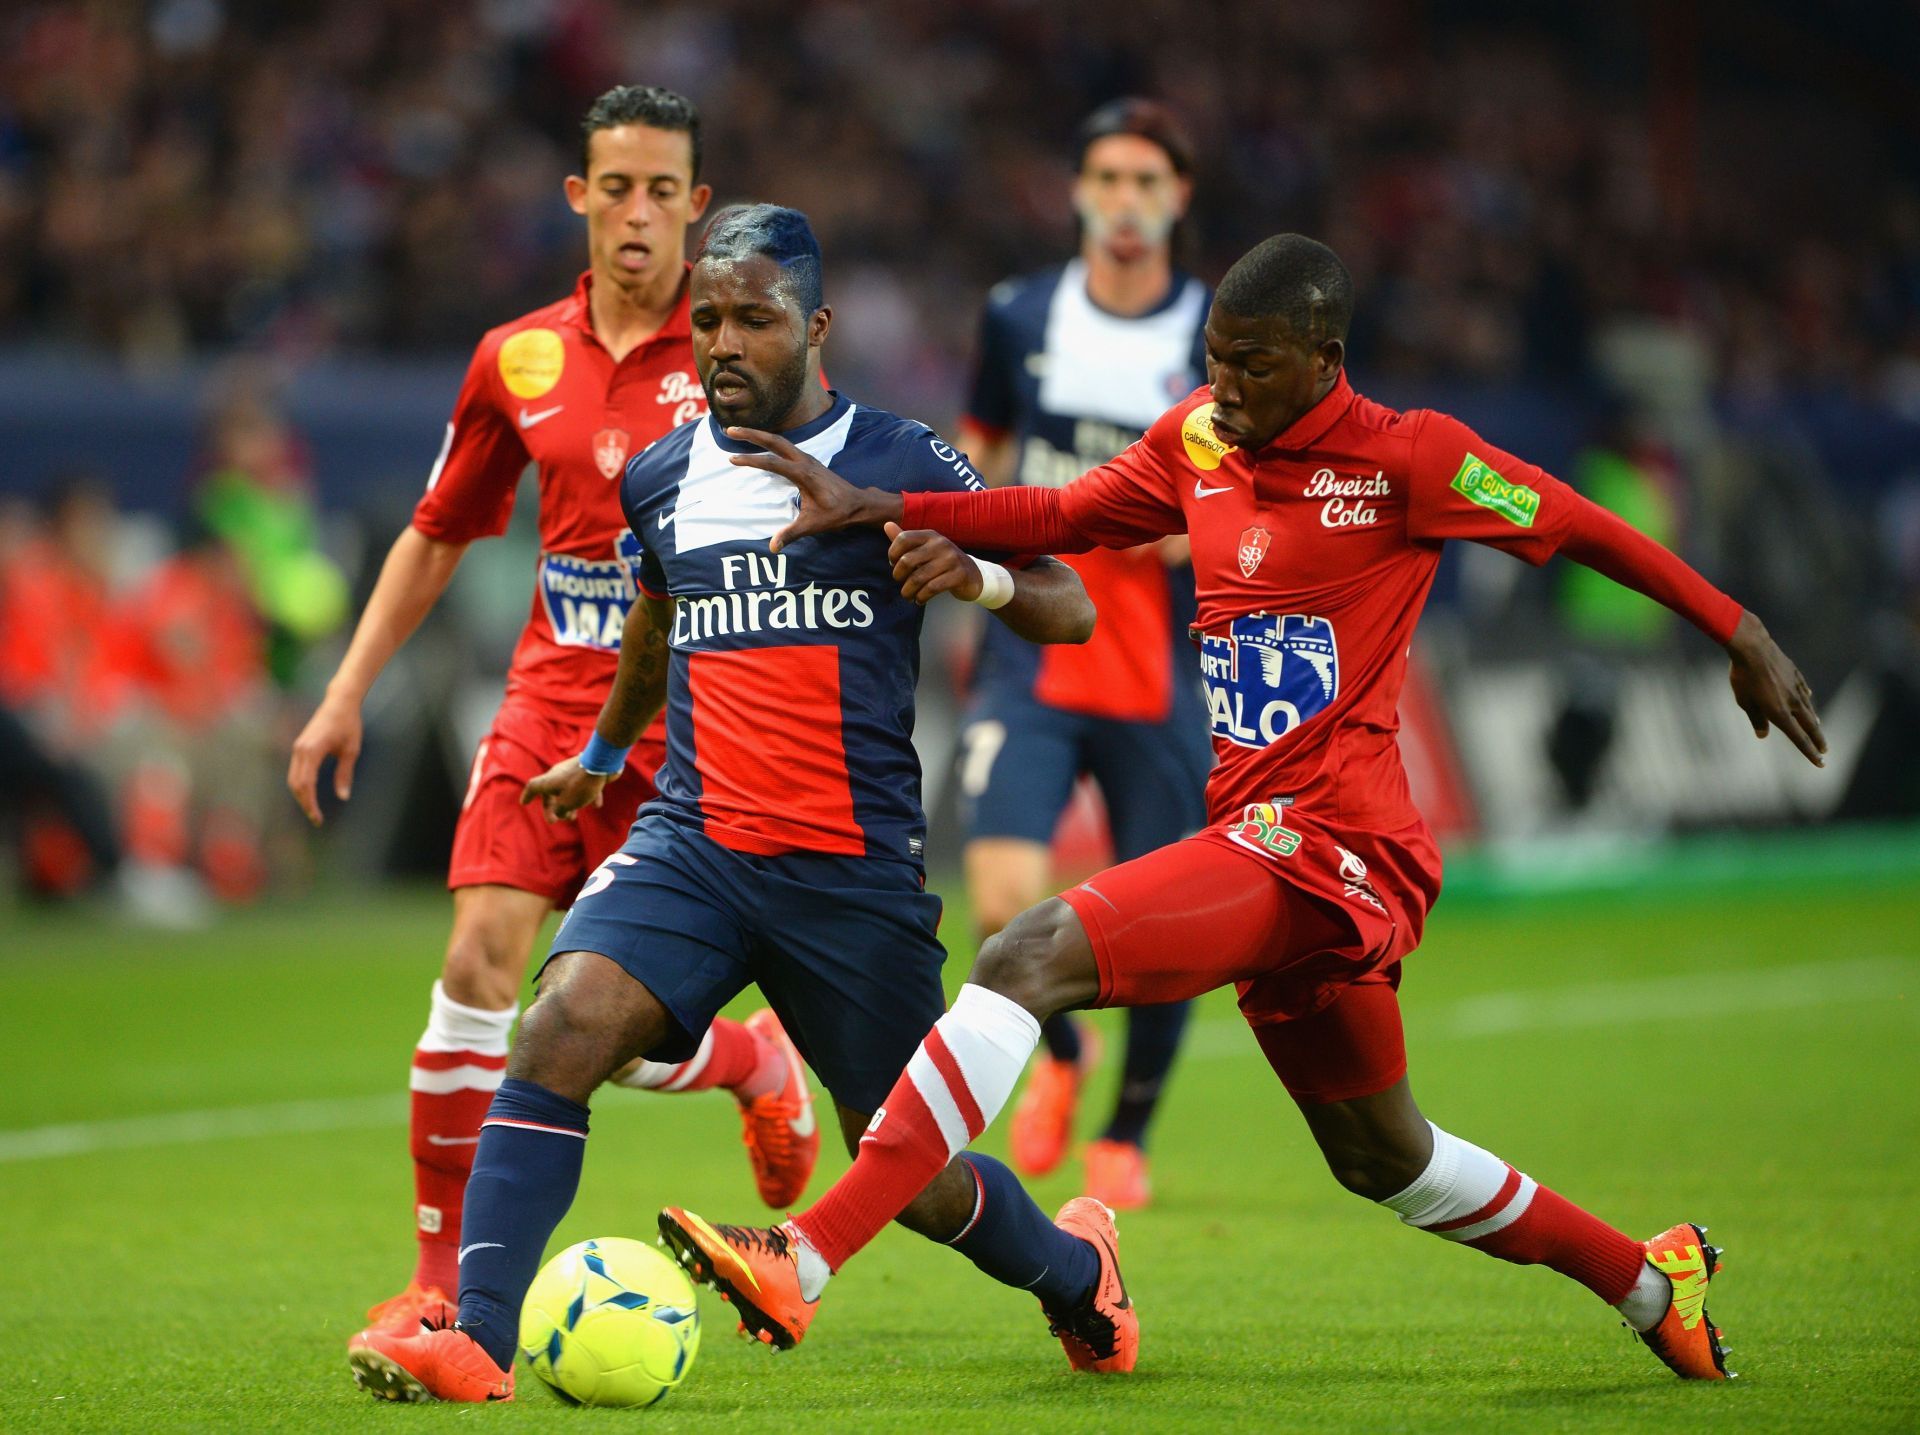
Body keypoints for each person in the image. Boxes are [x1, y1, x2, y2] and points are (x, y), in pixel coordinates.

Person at [657, 234, 1829, 1382]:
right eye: (1215, 357)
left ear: (1325, 356)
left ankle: (804, 1256)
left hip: (1335, 844)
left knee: (1026, 952)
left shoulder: (1412, 459)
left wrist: (1739, 629)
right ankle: (1648, 1281)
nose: (1223, 384)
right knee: (1386, 1158)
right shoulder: (1198, 440)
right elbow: (1060, 517)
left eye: (1252, 362)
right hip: (1261, 840)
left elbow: (1579, 522)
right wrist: (882, 503)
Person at [344, 204, 1101, 1404]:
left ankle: (1076, 1272)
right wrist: (601, 750)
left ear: (817, 325)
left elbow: (1071, 605)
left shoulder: (902, 459)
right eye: (708, 320)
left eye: (756, 318)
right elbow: (653, 623)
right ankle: (476, 1336)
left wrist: (974, 571)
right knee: (557, 1028)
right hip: (693, 844)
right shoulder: (661, 477)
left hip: (849, 873)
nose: (724, 343)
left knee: (914, 1174)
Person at [287, 86, 820, 1344]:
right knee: (478, 963)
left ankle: (750, 1061)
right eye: (614, 188)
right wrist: (346, 689)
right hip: (546, 704)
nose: (636, 214)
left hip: (694, 722)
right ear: (579, 199)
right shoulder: (516, 357)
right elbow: (437, 532)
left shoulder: (742, 352)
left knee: (601, 1032)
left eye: (661, 191)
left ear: (698, 206)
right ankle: (435, 1282)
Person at [955, 99, 1212, 1208]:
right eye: (1106, 177)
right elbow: (973, 448)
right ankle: (1059, 1057)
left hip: (1161, 661)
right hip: (1033, 635)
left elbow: (1266, 493)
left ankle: (1130, 1132)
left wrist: (1188, 532)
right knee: (1002, 884)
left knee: (1168, 916)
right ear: (1076, 192)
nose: (1125, 202)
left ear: (1178, 201)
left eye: (1147, 181)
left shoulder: (1215, 334)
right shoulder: (1018, 317)